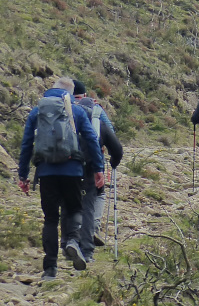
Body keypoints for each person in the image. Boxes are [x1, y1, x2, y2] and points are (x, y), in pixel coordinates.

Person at [17, 77, 104, 281]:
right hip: (72, 170)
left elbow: (27, 144)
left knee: (50, 219)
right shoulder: (77, 111)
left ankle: (50, 268)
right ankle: (72, 240)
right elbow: (92, 139)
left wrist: (23, 175)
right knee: (75, 209)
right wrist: (98, 169)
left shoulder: (37, 111)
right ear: (70, 94)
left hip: (46, 171)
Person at [72, 80, 122, 263]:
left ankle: (70, 240)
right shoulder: (96, 110)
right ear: (85, 95)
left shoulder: (64, 109)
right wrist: (112, 159)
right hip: (93, 164)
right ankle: (92, 229)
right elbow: (111, 133)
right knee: (96, 197)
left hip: (66, 165)